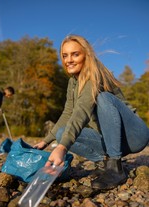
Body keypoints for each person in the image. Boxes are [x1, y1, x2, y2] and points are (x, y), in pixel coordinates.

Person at [34, 34, 149, 191]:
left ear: (86, 55)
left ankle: (115, 167)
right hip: (111, 140)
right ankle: (105, 163)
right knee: (62, 134)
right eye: (65, 55)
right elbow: (68, 114)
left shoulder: (94, 73)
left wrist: (61, 149)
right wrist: (45, 142)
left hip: (133, 135)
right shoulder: (72, 82)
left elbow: (81, 111)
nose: (69, 60)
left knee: (103, 98)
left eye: (75, 54)